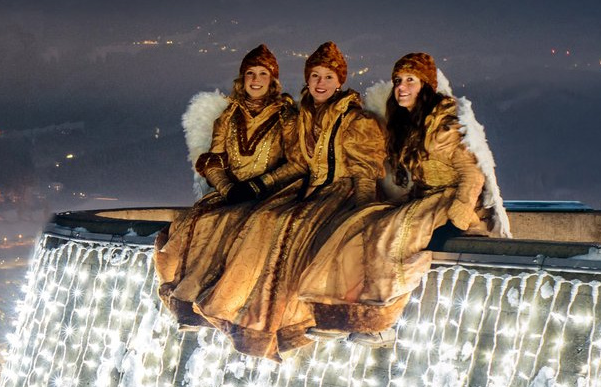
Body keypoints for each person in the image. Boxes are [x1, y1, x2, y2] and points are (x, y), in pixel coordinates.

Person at [194, 42, 387, 360]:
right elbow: (216, 158)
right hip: (314, 193)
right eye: (315, 76)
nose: (320, 83)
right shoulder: (303, 116)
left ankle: (305, 318)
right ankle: (244, 312)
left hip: (341, 192)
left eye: (327, 77)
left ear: (339, 81)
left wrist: (363, 209)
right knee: (269, 223)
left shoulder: (353, 120)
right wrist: (228, 188)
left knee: (294, 227)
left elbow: (361, 172)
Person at [299, 52, 487, 346]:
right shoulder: (407, 125)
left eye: (410, 81)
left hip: (447, 201)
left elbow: (472, 174)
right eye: (398, 81)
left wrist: (460, 213)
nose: (401, 87)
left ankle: (381, 320)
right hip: (422, 199)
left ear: (425, 85)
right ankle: (340, 314)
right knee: (360, 226)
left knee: (391, 238)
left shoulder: (445, 126)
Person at [155, 45, 298, 329]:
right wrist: (227, 188)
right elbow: (213, 161)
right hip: (230, 193)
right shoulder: (229, 116)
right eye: (250, 74)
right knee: (195, 224)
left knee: (237, 225)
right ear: (242, 78)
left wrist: (260, 185)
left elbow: (297, 163)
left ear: (273, 80)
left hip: (272, 194)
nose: (255, 80)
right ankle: (188, 302)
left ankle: (225, 304)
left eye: (262, 74)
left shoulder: (286, 117)